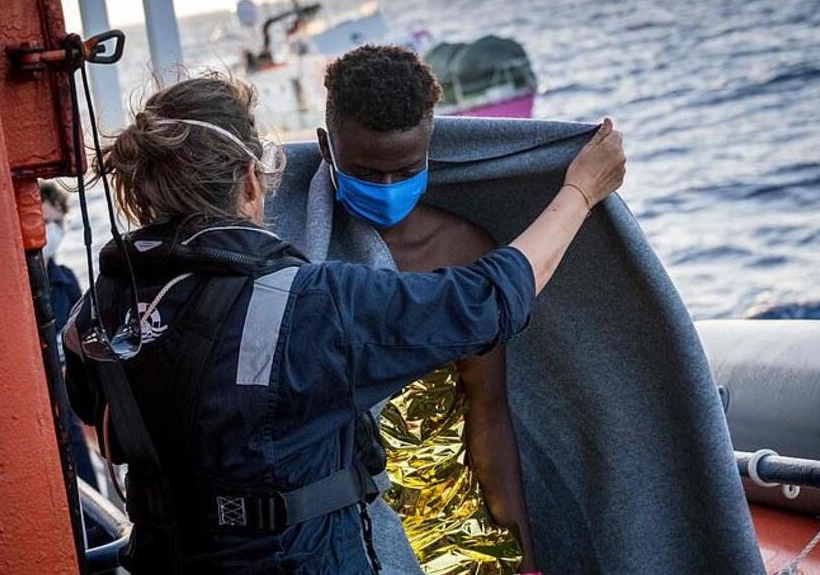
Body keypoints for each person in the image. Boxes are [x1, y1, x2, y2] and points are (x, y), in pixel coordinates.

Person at [61, 73, 624, 574]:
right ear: (252, 183)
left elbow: (100, 427)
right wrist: (580, 192)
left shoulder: (100, 305)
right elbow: (487, 300)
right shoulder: (307, 304)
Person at [317, 45, 548, 573]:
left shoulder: (466, 252)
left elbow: (486, 410)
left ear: (430, 148)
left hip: (459, 532)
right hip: (349, 541)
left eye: (405, 169)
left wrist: (526, 559)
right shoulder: (302, 253)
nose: (387, 188)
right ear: (326, 148)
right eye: (367, 173)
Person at [40, 181, 99, 490]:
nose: (53, 231)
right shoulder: (20, 286)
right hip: (41, 405)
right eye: (46, 222)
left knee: (88, 484)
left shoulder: (66, 280)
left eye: (58, 223)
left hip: (70, 401)